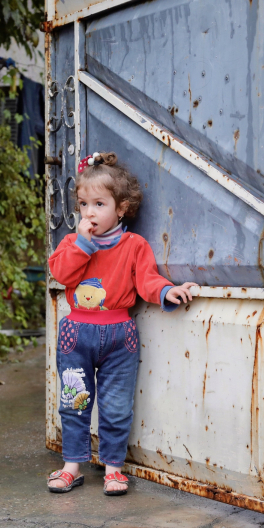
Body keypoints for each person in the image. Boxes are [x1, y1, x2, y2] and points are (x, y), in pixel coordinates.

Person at [47, 151, 197, 496]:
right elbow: (61, 273)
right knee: (74, 402)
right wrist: (83, 244)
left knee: (116, 406)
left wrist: (168, 291)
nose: (89, 212)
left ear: (122, 208)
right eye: (83, 204)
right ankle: (72, 466)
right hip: (76, 336)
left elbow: (147, 281)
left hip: (120, 337)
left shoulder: (134, 245)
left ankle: (113, 468)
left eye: (99, 204)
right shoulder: (72, 243)